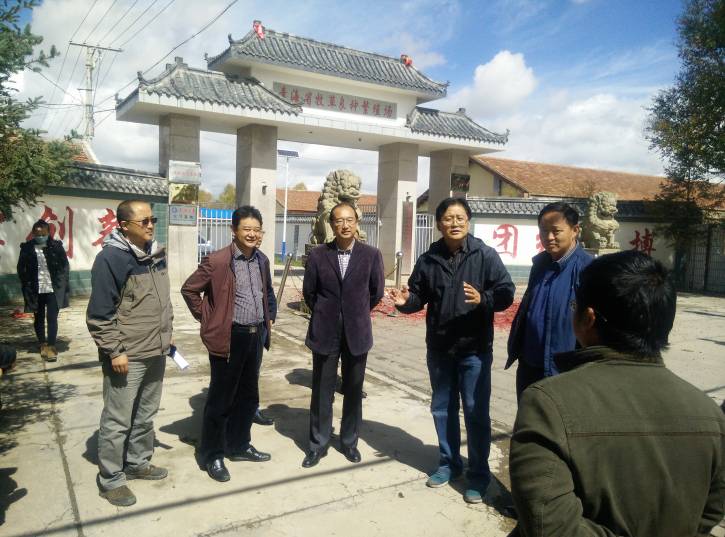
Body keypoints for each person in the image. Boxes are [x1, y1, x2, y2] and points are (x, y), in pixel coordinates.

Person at [509, 251, 725, 536]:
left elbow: (549, 525)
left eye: (574, 305)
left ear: (587, 318)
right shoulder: (710, 414)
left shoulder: (547, 404)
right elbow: (710, 511)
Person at [390, 197, 515, 504]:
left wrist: (484, 299)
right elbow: (417, 295)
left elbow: (506, 292)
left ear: (468, 221)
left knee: (475, 412)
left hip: (474, 350)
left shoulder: (485, 255)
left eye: (460, 217)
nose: (454, 223)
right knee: (442, 409)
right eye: (448, 218)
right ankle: (449, 464)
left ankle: (479, 475)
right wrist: (405, 302)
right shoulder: (429, 259)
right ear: (439, 224)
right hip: (440, 349)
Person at [86, 200, 173, 507]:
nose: (150, 226)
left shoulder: (155, 254)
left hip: (155, 350)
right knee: (117, 419)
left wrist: (167, 336)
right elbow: (99, 314)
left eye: (152, 220)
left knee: (146, 414)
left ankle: (137, 462)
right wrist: (114, 351)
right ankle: (110, 478)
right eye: (144, 221)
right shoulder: (110, 259)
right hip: (127, 355)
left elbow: (161, 302)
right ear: (123, 226)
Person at [181, 205, 277, 482]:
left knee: (248, 396)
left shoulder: (262, 260)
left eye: (257, 230)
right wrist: (209, 317)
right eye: (247, 229)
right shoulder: (218, 261)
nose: (252, 234)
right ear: (233, 230)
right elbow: (189, 289)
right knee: (221, 399)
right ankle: (212, 454)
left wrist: (269, 316)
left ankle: (239, 445)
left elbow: (267, 291)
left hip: (255, 335)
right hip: (229, 336)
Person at [301, 202, 384, 468]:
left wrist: (354, 312)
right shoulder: (318, 255)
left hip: (357, 332)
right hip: (325, 331)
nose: (345, 225)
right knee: (321, 391)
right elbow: (309, 292)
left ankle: (349, 442)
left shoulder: (371, 255)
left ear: (357, 223)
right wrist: (328, 312)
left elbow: (376, 292)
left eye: (349, 220)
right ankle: (318, 444)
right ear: (331, 224)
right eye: (339, 220)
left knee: (354, 389)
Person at [506, 202, 592, 401]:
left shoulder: (588, 269)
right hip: (530, 365)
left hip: (564, 371)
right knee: (528, 416)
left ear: (575, 230)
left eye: (556, 231)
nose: (549, 237)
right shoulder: (540, 264)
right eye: (544, 231)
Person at [17, 220, 70, 362]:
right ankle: (42, 344)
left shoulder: (56, 246)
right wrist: (26, 284)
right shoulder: (27, 248)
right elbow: (21, 268)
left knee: (52, 318)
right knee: (38, 318)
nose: (40, 236)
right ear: (33, 233)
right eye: (37, 234)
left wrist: (63, 282)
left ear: (48, 233)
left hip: (53, 289)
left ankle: (51, 346)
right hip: (35, 290)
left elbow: (65, 265)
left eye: (43, 234)